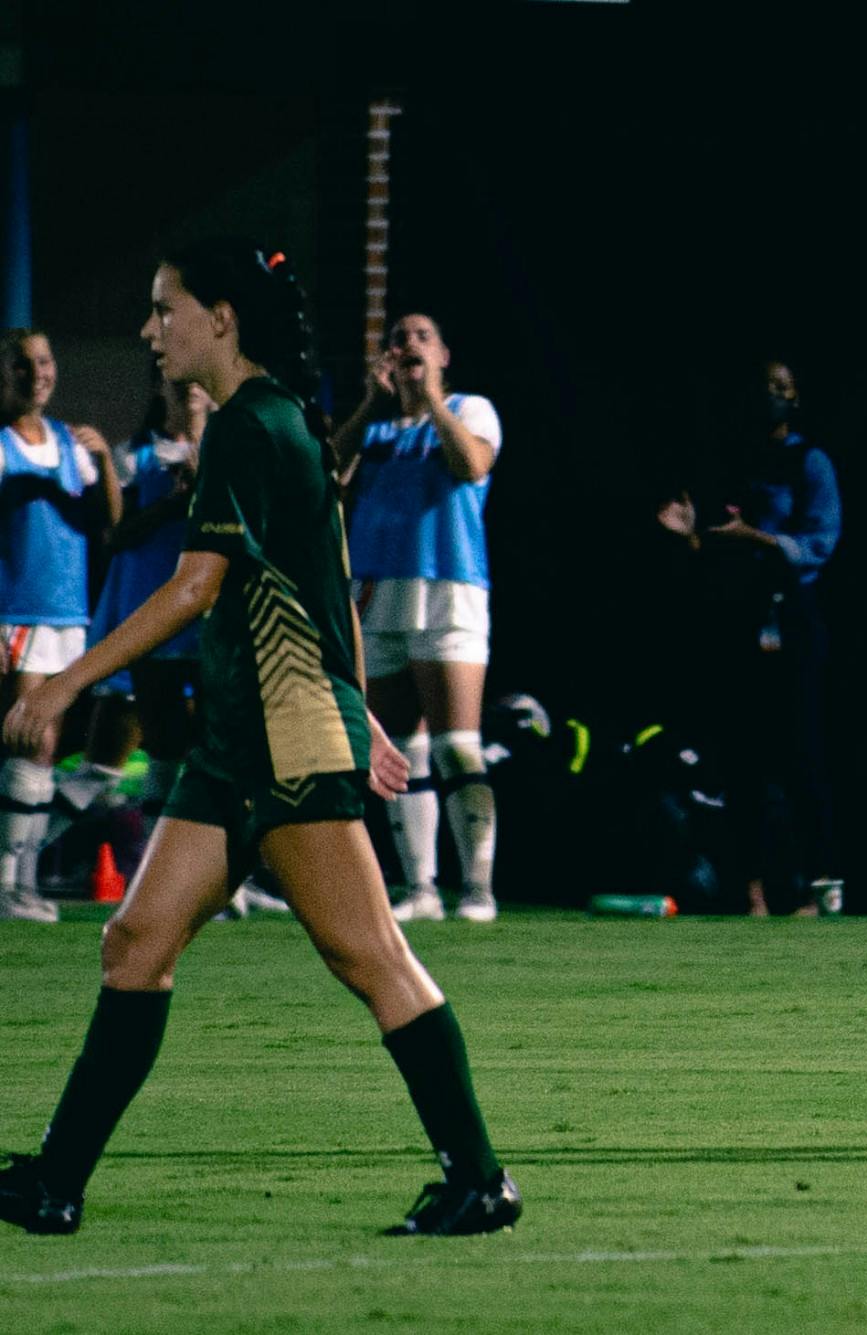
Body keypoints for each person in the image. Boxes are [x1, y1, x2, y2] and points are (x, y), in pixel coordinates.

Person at [0, 239, 520, 1236]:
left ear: (221, 316)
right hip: (245, 738)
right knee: (135, 943)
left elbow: (197, 587)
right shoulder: (279, 418)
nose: (152, 330)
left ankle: (479, 1178)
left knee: (371, 956)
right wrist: (360, 707)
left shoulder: (248, 426)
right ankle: (56, 1183)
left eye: (165, 309)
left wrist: (68, 679)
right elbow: (331, 592)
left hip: (281, 741)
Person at [332, 313, 502, 923]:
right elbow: (325, 477)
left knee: (458, 744)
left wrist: (429, 397)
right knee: (403, 748)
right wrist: (367, 406)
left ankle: (477, 886)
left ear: (445, 354)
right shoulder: (374, 431)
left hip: (449, 588)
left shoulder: (470, 409)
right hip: (378, 591)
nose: (408, 345)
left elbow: (472, 466)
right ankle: (420, 888)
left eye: (422, 336)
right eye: (399, 337)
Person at [39, 377, 211, 876]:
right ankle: (19, 863)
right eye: (179, 383)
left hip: (204, 619)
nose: (190, 390)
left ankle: (219, 882)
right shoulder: (136, 454)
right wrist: (171, 505)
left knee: (203, 755)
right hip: (147, 618)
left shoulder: (228, 447)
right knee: (111, 762)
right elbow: (118, 534)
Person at [702, 360, 841, 917]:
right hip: (740, 620)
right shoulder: (737, 461)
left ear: (797, 399)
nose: (771, 399)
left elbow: (817, 545)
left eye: (781, 390)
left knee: (802, 757)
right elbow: (717, 540)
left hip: (794, 622)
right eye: (763, 390)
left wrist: (754, 539)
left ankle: (822, 885)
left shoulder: (810, 463)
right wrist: (695, 536)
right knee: (743, 763)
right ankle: (752, 891)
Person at [1, 328, 122, 921]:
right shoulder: (1, 444)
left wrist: (102, 459)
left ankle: (23, 882)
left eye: (44, 362)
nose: (37, 374)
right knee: (32, 740)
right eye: (23, 365)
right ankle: (9, 885)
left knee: (45, 751)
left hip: (69, 614)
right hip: (17, 612)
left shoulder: (70, 442)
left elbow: (107, 524)